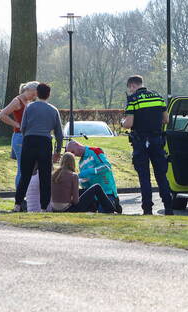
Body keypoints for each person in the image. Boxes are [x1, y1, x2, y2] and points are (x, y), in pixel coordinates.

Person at [121, 75, 173, 215]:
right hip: (157, 140)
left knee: (144, 177)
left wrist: (122, 122)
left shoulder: (133, 100)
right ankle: (168, 207)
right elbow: (166, 119)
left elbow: (129, 123)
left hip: (140, 142)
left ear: (132, 85)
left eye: (130, 88)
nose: (130, 91)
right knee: (161, 175)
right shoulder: (158, 97)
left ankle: (148, 209)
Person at [13, 82, 64, 213]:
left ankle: (17, 204)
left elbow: (23, 126)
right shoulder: (53, 110)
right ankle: (43, 207)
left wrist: (27, 138)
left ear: (37, 93)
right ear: (49, 95)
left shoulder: (29, 107)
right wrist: (58, 150)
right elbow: (59, 134)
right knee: (45, 176)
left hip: (29, 141)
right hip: (45, 142)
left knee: (25, 175)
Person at [0, 81, 38, 197]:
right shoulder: (17, 101)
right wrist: (16, 124)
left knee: (27, 168)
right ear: (29, 90)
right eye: (34, 93)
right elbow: (2, 115)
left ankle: (24, 196)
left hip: (27, 137)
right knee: (22, 169)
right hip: (20, 137)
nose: (35, 96)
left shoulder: (29, 101)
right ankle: (20, 198)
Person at [49, 152, 118, 213]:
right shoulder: (73, 176)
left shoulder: (54, 174)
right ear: (73, 163)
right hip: (67, 209)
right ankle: (111, 208)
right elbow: (75, 201)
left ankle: (93, 209)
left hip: (54, 208)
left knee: (85, 191)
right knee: (96, 187)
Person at [67, 139, 122, 213]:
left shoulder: (95, 151)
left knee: (104, 213)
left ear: (77, 145)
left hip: (107, 192)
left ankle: (115, 204)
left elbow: (107, 167)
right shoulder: (80, 163)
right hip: (94, 197)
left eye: (73, 152)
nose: (74, 155)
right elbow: (86, 183)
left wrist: (88, 172)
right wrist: (81, 181)